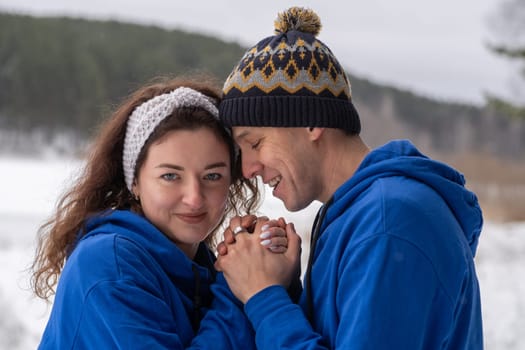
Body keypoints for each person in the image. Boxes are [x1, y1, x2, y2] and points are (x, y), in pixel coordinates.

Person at [215, 6, 484, 349]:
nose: (248, 169)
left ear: (310, 122)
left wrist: (264, 297)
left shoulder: (389, 223)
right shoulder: (355, 214)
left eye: (254, 143)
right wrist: (279, 284)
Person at [30, 75, 288, 349]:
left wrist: (272, 278)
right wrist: (238, 288)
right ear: (135, 182)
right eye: (170, 176)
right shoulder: (109, 265)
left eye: (212, 176)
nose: (194, 198)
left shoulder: (199, 267)